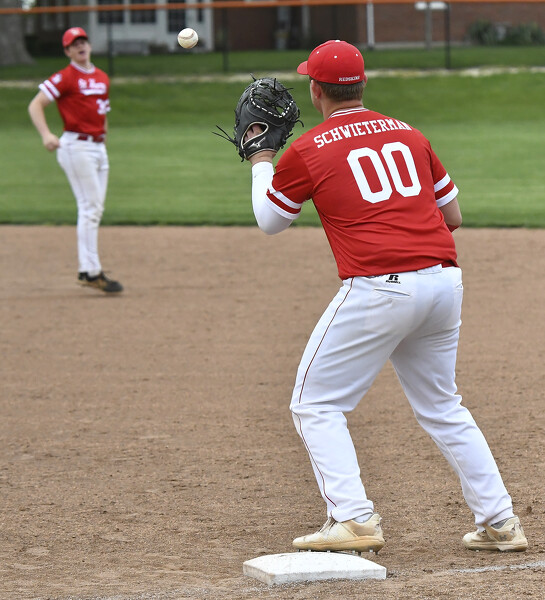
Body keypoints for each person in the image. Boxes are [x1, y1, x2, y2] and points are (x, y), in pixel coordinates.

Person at [245, 40, 527, 553]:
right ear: (363, 84)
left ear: (315, 90)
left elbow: (270, 220)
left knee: (315, 403)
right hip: (443, 283)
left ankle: (352, 518)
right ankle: (501, 522)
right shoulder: (408, 133)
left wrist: (262, 157)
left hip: (380, 288)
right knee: (443, 406)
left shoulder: (308, 149)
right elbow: (453, 215)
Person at [28, 27, 123, 294]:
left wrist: (102, 138)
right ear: (67, 51)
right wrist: (46, 134)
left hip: (97, 148)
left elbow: (101, 112)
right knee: (90, 208)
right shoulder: (65, 77)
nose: (80, 46)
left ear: (89, 46)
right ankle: (91, 271)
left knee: (94, 209)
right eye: (74, 44)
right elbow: (35, 104)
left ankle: (87, 269)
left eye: (83, 41)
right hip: (76, 146)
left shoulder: (102, 77)